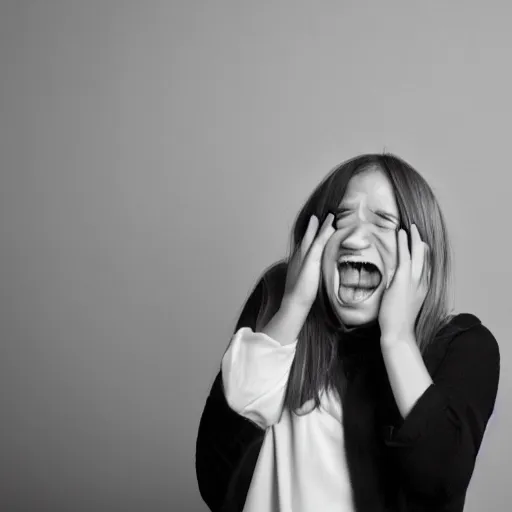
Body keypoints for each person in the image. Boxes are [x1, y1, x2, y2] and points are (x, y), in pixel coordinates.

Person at [195, 153, 500, 512]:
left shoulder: (464, 346)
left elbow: (440, 482)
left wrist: (397, 339)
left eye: (384, 221)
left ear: (421, 255)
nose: (355, 238)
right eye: (341, 219)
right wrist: (293, 306)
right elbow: (216, 479)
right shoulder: (277, 306)